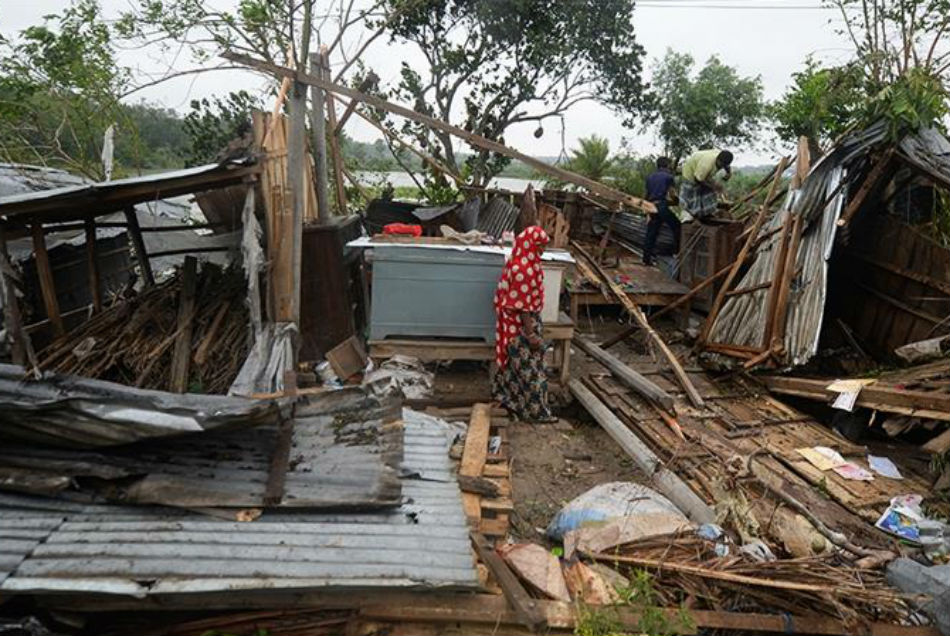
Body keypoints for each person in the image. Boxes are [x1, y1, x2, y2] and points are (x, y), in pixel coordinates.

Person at [491, 226, 556, 423]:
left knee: (513, 368)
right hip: (521, 326)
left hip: (513, 324)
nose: (542, 251)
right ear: (530, 245)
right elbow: (522, 306)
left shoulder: (519, 261)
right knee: (533, 371)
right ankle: (536, 413)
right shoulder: (524, 269)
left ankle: (509, 401)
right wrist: (531, 334)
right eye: (540, 246)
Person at [642, 156, 680, 266]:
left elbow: (647, 194)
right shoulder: (669, 177)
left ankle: (646, 259)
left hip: (651, 206)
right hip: (661, 206)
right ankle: (676, 252)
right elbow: (672, 194)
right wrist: (677, 201)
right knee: (677, 226)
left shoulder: (650, 177)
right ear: (668, 165)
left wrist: (646, 210)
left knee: (651, 233)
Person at [679, 149, 733, 221]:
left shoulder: (722, 158)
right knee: (694, 194)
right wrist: (713, 186)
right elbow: (698, 180)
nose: (721, 167)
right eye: (721, 165)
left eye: (724, 165)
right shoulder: (706, 164)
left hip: (702, 174)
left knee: (709, 193)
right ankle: (692, 215)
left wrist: (728, 173)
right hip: (690, 173)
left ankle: (706, 213)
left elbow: (727, 166)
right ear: (718, 160)